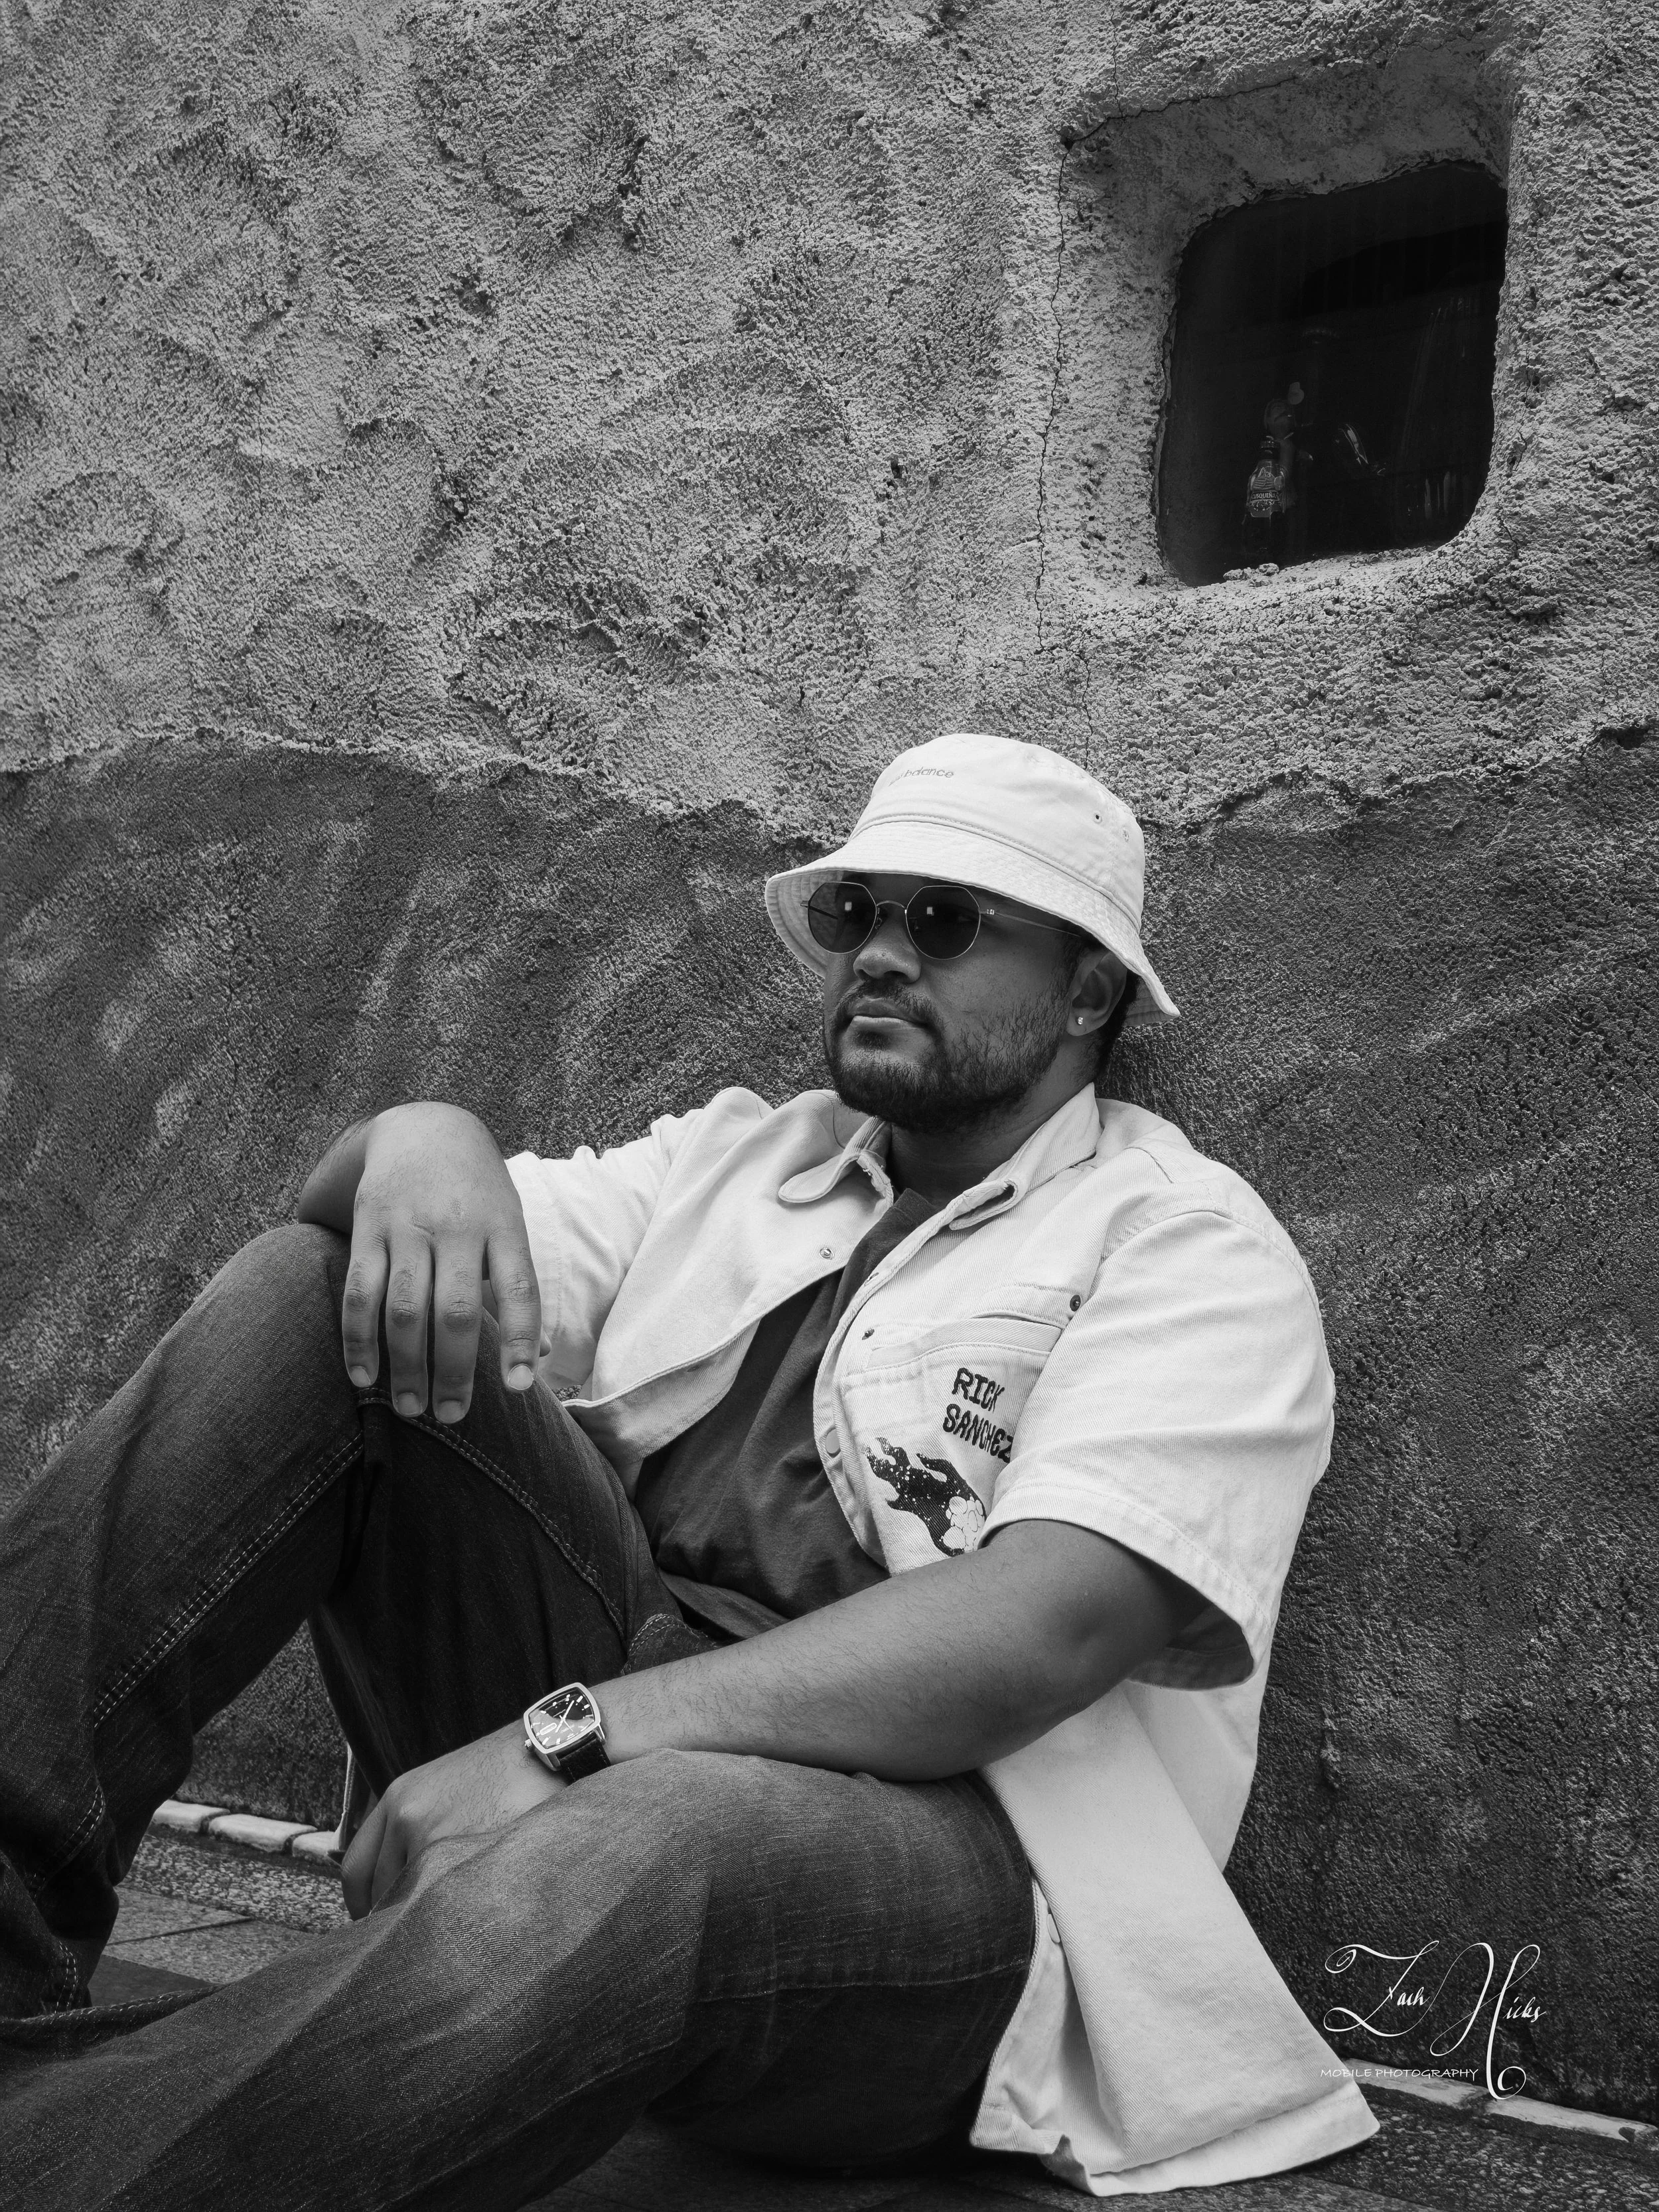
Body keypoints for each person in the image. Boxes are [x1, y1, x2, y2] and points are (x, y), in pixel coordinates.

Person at [0, 732, 1376, 2207]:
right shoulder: (746, 1159)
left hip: (946, 1870)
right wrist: (421, 1135)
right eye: (856, 916)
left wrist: (571, 1741)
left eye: (948, 920)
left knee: (659, 1833)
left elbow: (1041, 1628)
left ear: (1089, 988)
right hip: (609, 1721)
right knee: (305, 1294)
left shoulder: (1181, 1243)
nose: (881, 955)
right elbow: (397, 1241)